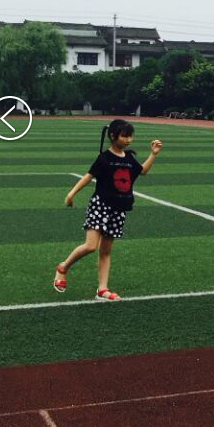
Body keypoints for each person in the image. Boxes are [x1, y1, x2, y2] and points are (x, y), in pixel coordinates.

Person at [55, 120, 162, 301]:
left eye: (130, 136)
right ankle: (63, 268)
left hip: (119, 209)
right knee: (91, 246)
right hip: (101, 205)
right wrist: (71, 194)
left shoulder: (129, 158)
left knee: (105, 251)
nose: (129, 140)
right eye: (125, 136)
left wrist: (153, 154)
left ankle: (102, 290)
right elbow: (88, 176)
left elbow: (142, 171)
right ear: (113, 136)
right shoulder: (104, 158)